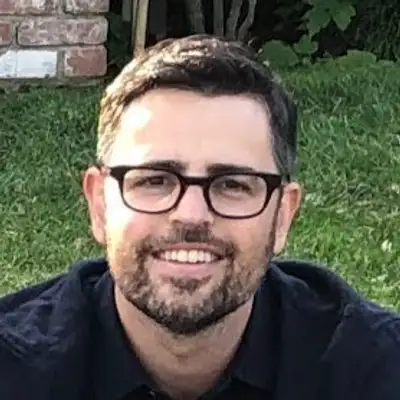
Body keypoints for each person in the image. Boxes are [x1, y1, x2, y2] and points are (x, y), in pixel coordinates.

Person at [0, 34, 399, 400]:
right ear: (100, 204)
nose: (191, 215)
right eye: (155, 180)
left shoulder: (373, 369)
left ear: (282, 215)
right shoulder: (15, 370)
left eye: (232, 184)